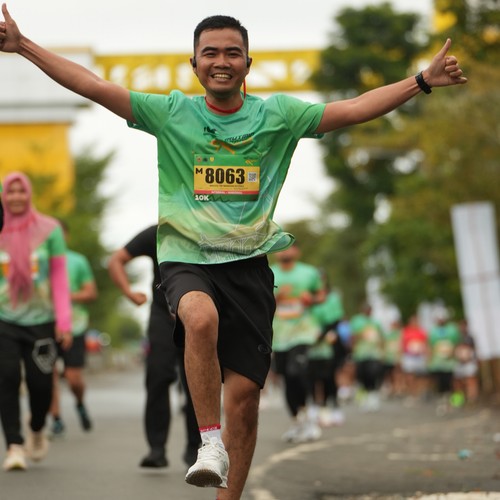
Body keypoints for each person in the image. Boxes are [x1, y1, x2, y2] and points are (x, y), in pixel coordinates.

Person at [0, 8, 467, 497]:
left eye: (232, 53)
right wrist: (24, 45)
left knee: (243, 404)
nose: (221, 61)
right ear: (194, 64)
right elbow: (93, 85)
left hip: (247, 267)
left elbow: (353, 108)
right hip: (186, 258)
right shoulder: (171, 113)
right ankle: (208, 443)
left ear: (247, 63)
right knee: (199, 318)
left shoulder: (278, 115)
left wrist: (421, 81)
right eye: (210, 53)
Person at [108, 225, 200, 469]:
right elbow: (116, 260)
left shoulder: (206, 229)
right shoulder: (157, 233)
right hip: (163, 315)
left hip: (198, 315)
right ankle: (156, 449)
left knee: (197, 379)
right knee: (158, 376)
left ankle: (196, 448)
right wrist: (128, 292)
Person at [0, 172, 71, 472]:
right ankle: (14, 446)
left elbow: (59, 277)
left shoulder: (50, 230)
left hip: (42, 319)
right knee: (6, 378)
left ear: (28, 194)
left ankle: (37, 427)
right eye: (10, 191)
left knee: (41, 385)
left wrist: (64, 321)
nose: (16, 196)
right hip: (4, 318)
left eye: (21, 191)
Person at [270, 244, 325, 443]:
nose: (285, 251)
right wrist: (275, 298)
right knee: (286, 377)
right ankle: (297, 421)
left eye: (289, 248)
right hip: (279, 335)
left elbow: (321, 295)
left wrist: (312, 299)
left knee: (297, 371)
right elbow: (258, 300)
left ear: (296, 251)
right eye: (281, 248)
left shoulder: (309, 273)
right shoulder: (269, 273)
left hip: (302, 332)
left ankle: (310, 416)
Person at [50, 220, 98, 437]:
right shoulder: (40, 261)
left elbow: (91, 292)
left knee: (73, 378)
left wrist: (65, 296)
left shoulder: (78, 261)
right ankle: (56, 419)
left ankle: (79, 403)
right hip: (45, 326)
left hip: (74, 326)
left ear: (66, 236)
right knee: (48, 376)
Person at [349, 303, 386, 412]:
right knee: (362, 375)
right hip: (361, 354)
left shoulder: (376, 323)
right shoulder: (357, 321)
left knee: (373, 373)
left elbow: (381, 338)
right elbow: (353, 337)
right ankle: (364, 396)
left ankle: (373, 395)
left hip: (374, 353)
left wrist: (382, 352)